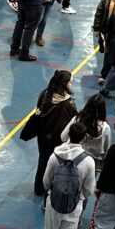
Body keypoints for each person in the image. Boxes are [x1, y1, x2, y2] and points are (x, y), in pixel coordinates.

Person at [41, 121, 96, 229]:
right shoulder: (88, 161)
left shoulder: (55, 156)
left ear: (69, 134)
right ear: (84, 138)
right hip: (74, 206)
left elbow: (46, 181)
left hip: (54, 201)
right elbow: (89, 189)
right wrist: (80, 197)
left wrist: (52, 192)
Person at [28, 69, 79, 197]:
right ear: (65, 84)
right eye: (71, 82)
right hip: (58, 140)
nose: (72, 84)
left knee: (42, 162)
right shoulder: (68, 103)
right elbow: (74, 121)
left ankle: (39, 188)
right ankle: (51, 191)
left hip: (43, 137)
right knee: (57, 166)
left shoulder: (45, 94)